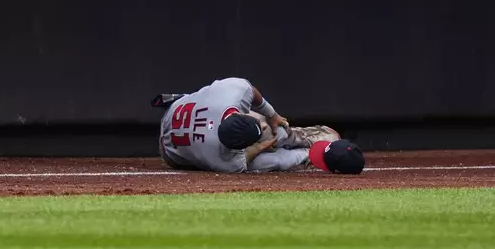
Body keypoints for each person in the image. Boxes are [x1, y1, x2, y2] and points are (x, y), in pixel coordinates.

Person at [154, 77, 365, 173]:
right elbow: (243, 161)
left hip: (176, 109)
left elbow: (252, 92)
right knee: (270, 162)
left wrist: (271, 115)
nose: (261, 126)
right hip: (171, 154)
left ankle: (301, 138)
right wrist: (256, 148)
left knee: (271, 130)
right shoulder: (224, 159)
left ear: (236, 113)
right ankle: (307, 154)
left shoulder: (234, 92)